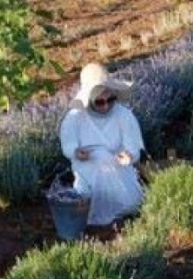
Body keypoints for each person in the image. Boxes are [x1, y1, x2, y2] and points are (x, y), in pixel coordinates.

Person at [58, 63, 145, 227]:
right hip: (88, 170)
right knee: (97, 165)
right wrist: (77, 153)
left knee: (132, 204)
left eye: (110, 100)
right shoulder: (75, 118)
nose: (105, 105)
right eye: (99, 102)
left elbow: (133, 147)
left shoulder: (124, 116)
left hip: (119, 170)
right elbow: (68, 146)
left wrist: (130, 155)